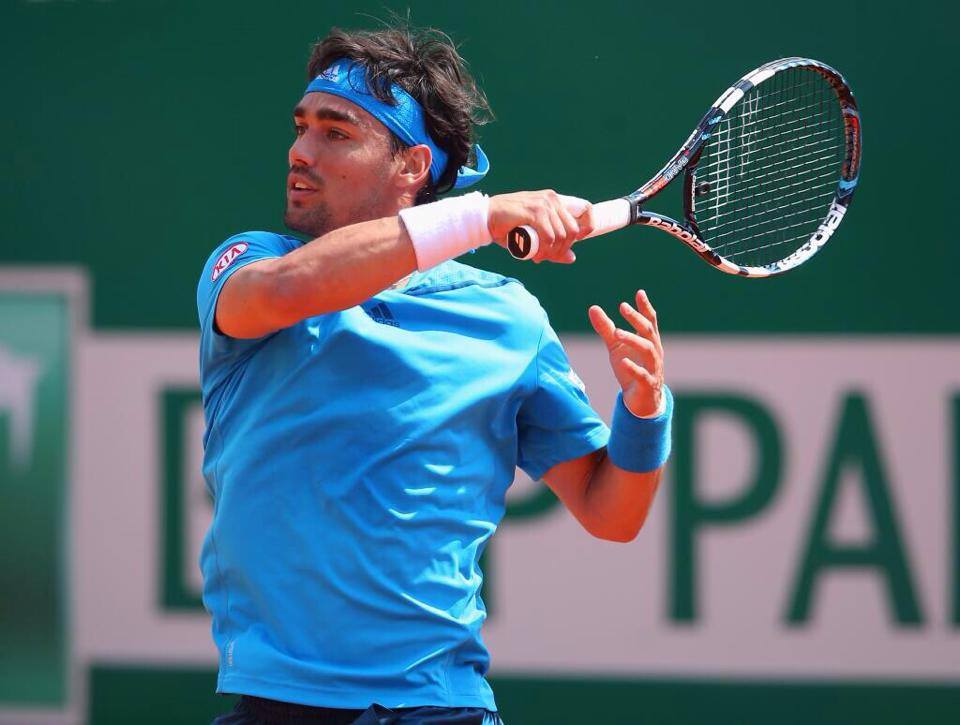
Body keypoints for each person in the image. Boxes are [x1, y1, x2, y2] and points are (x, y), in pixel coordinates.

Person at [197, 23, 672, 725]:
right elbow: (291, 289)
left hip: (437, 705)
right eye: (302, 127)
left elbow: (611, 513)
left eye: (336, 132)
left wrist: (644, 410)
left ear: (412, 165)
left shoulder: (507, 319)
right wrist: (480, 217)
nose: (301, 151)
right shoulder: (251, 265)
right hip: (277, 706)